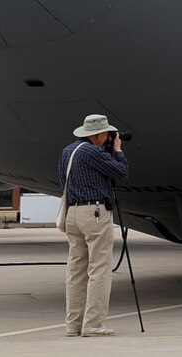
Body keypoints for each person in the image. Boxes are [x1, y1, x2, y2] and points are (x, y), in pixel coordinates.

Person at [59, 113, 129, 337]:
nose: (109, 137)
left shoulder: (68, 151)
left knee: (76, 270)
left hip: (73, 212)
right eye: (108, 134)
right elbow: (121, 172)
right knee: (99, 268)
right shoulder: (93, 152)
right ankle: (93, 324)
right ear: (98, 134)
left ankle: (73, 325)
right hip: (95, 213)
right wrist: (117, 150)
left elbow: (63, 181)